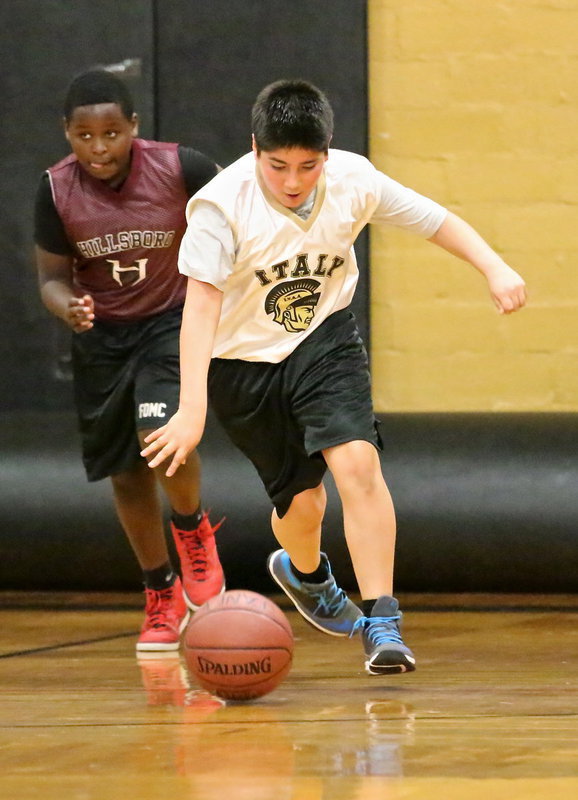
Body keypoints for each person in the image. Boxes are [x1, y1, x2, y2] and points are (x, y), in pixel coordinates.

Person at [142, 79, 527, 675]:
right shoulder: (221, 208)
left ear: (327, 152)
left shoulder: (353, 179)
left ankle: (383, 621)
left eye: (307, 165)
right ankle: (306, 576)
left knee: (357, 462)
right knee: (303, 505)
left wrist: (493, 266)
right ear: (254, 149)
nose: (293, 180)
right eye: (277, 166)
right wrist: (191, 408)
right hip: (241, 365)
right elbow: (199, 310)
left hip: (323, 338)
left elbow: (435, 219)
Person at [34, 69, 226, 653]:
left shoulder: (181, 167)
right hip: (102, 339)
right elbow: (49, 279)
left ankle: (192, 530)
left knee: (160, 434)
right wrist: (69, 306)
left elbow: (236, 212)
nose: (99, 148)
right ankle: (159, 591)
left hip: (169, 321)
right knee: (124, 471)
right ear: (67, 134)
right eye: (84, 136)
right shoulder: (54, 189)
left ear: (134, 128)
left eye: (112, 133)